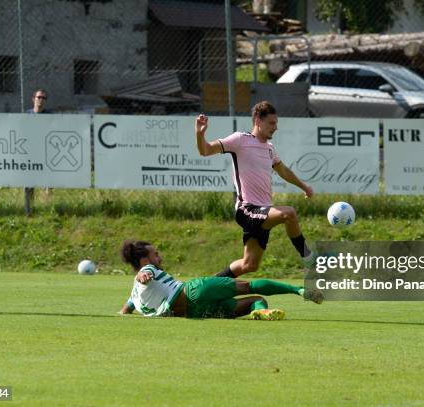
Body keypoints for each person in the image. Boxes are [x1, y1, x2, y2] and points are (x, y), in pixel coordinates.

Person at [195, 101, 316, 278]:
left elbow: (282, 170)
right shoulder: (240, 140)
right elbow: (205, 150)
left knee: (249, 265)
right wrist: (199, 134)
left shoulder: (269, 148)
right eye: (272, 123)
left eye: (276, 123)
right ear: (258, 121)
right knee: (288, 213)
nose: (275, 128)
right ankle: (309, 259)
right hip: (247, 209)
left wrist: (304, 187)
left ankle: (208, 284)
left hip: (262, 211)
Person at [118, 240, 323, 320]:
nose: (159, 258)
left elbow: (125, 310)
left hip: (195, 312)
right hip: (195, 290)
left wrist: (122, 313)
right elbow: (144, 274)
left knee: (256, 299)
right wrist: (143, 275)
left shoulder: (134, 294)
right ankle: (299, 290)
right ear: (145, 260)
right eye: (155, 254)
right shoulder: (147, 270)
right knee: (248, 286)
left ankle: (261, 312)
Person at [24, 88, 53, 210]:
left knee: (49, 181)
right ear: (33, 99)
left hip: (46, 152)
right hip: (31, 153)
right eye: (38, 97)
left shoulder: (50, 116)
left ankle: (48, 208)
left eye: (43, 98)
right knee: (29, 182)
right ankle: (29, 208)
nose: (41, 100)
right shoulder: (27, 115)